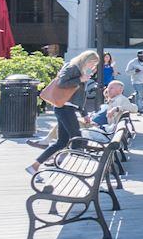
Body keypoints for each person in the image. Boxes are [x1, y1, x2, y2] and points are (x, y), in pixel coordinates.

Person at [27, 48, 98, 176]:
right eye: (92, 63)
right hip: (64, 108)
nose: (93, 66)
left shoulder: (79, 71)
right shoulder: (72, 68)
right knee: (77, 138)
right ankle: (72, 169)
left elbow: (79, 96)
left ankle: (35, 166)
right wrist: (80, 80)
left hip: (66, 108)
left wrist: (84, 114)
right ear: (87, 60)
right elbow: (61, 82)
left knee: (62, 142)